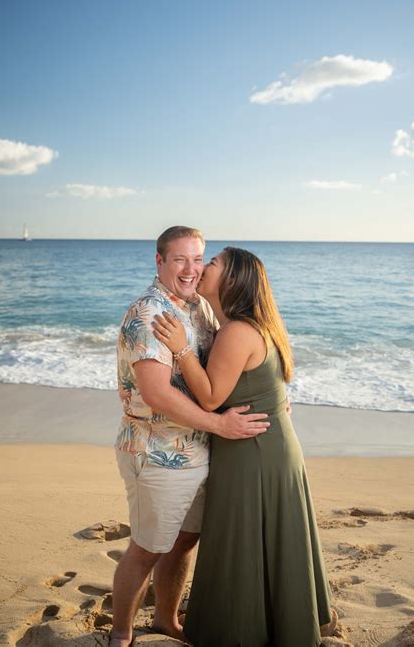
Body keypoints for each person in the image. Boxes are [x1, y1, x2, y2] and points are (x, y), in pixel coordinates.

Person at [152, 246, 333, 647]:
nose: (200, 268)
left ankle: (241, 629)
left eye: (210, 263)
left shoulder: (237, 330)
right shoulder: (246, 324)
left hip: (253, 452)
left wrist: (182, 349)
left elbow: (212, 399)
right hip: (268, 444)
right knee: (261, 539)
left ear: (231, 279)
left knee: (243, 539)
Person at [111, 228, 271, 647]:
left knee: (183, 543)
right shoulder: (150, 313)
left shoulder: (199, 307)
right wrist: (219, 424)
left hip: (199, 450)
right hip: (157, 451)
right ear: (159, 261)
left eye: (197, 259)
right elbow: (156, 392)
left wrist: (268, 399)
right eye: (179, 259)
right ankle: (121, 634)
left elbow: (227, 367)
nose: (190, 269)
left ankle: (165, 620)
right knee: (146, 549)